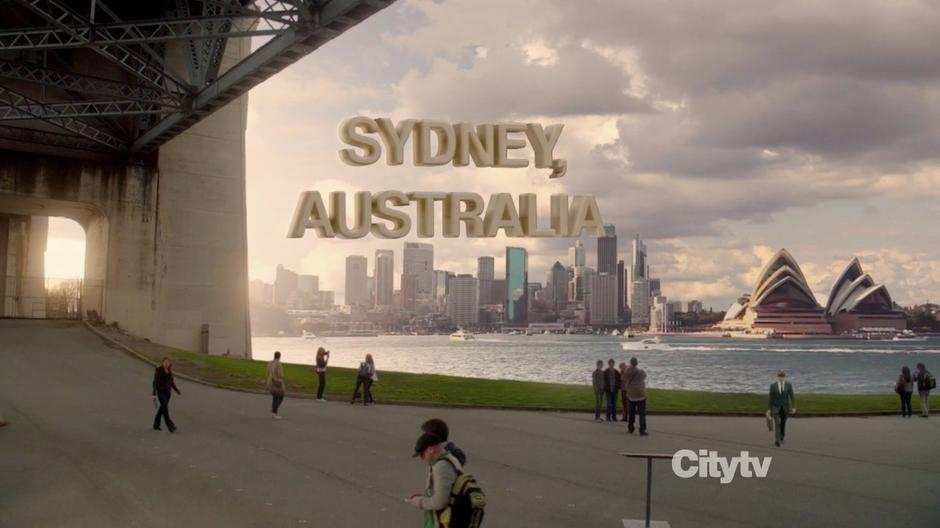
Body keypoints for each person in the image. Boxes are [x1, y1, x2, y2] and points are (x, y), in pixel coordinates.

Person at [405, 432, 459, 528]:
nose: (422, 459)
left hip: (445, 522)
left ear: (430, 449)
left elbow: (440, 501)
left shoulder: (441, 467)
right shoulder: (450, 458)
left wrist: (418, 501)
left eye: (422, 454)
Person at [152, 357, 181, 432]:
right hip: (161, 392)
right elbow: (155, 382)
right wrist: (154, 393)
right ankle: (170, 426)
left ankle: (156, 425)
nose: (166, 364)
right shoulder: (159, 370)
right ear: (162, 363)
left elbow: (171, 383)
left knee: (162, 409)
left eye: (168, 362)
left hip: (168, 393)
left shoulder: (170, 372)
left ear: (170, 364)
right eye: (165, 362)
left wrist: (177, 390)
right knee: (165, 408)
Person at [767, 370, 796, 447]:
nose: (781, 378)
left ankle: (782, 436)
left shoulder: (788, 385)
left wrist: (793, 407)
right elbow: (770, 398)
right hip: (775, 408)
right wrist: (769, 409)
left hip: (785, 408)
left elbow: (792, 396)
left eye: (782, 377)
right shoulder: (773, 386)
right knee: (777, 424)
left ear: (784, 377)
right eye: (780, 377)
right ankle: (777, 440)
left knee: (783, 423)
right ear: (777, 377)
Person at [622, 357, 648, 436]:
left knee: (631, 413)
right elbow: (644, 377)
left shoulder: (627, 372)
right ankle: (642, 430)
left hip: (631, 394)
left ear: (630, 363)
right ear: (637, 363)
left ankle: (630, 428)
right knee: (642, 414)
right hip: (640, 394)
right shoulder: (641, 372)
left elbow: (623, 378)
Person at [266, 351, 286, 419]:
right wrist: (281, 383)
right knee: (280, 396)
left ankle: (274, 413)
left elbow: (267, 373)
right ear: (279, 356)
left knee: (275, 397)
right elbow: (280, 375)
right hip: (276, 383)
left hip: (270, 382)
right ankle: (274, 411)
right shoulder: (279, 364)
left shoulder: (269, 363)